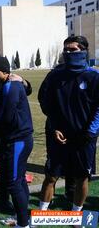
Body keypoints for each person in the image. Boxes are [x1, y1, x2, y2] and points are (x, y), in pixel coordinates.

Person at [38, 35, 98, 212]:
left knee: (82, 178)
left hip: (84, 138)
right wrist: (55, 126)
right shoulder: (55, 75)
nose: (68, 53)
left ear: (84, 51)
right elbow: (45, 102)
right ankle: (42, 213)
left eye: (73, 50)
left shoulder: (94, 76)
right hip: (58, 136)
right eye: (66, 50)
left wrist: (89, 132)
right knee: (51, 176)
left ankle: (76, 215)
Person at [0, 57, 33, 228]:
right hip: (15, 139)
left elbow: (6, 117)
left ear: (4, 71)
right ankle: (22, 217)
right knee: (18, 180)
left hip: (17, 140)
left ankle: (23, 223)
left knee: (14, 182)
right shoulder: (5, 85)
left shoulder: (11, 86)